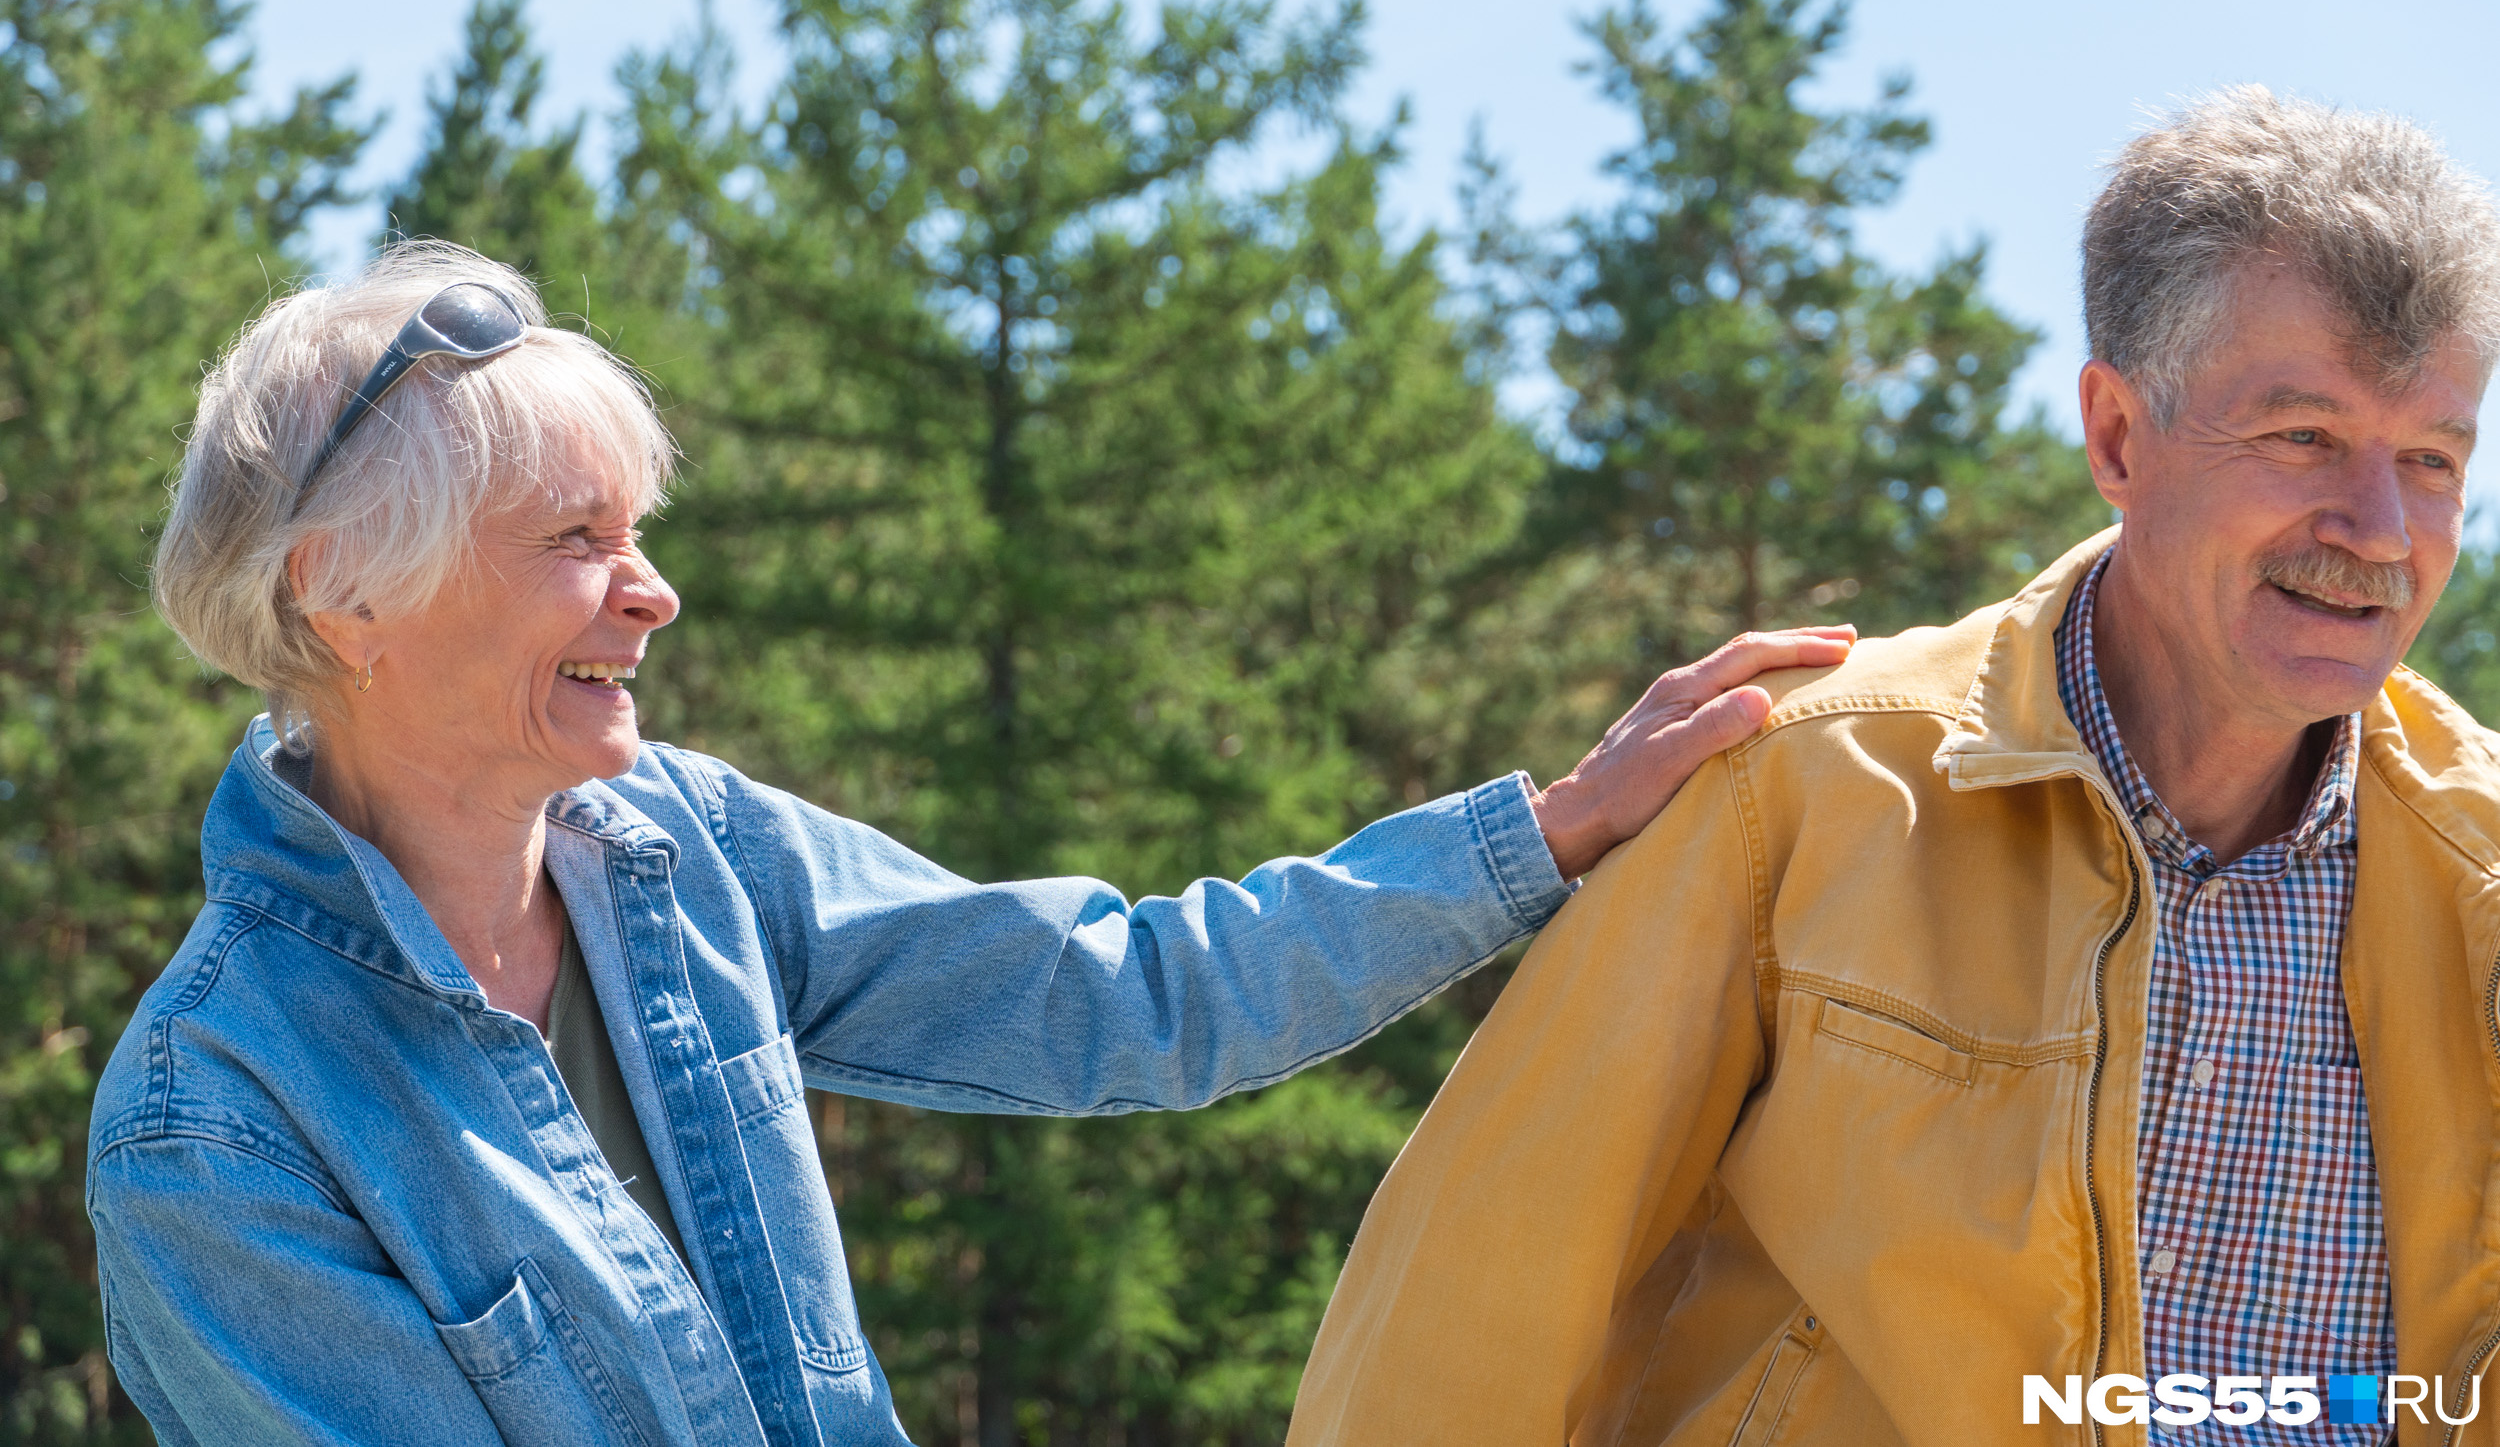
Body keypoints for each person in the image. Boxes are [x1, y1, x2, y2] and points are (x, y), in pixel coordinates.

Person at [85, 239, 1849, 1446]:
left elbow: (1135, 997)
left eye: (641, 528)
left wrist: (1541, 832)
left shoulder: (687, 851)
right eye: (574, 537)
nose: (654, 589)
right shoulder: (216, 1123)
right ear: (345, 595)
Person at [1287, 86, 2500, 1447]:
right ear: (2116, 436)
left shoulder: (2486, 885)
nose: (2380, 530)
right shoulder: (1795, 789)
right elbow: (1471, 1322)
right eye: (2305, 439)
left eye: (2432, 461)